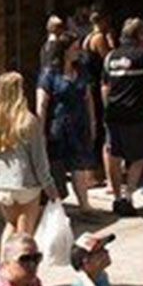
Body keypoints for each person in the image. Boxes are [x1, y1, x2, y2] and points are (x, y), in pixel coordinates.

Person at [0, 70, 54, 242]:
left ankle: (3, 265)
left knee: (10, 226)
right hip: (26, 183)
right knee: (24, 234)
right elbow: (38, 158)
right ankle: (21, 267)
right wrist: (49, 186)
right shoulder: (28, 121)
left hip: (2, 184)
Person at [100, 22, 143, 216]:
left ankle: (117, 197)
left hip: (114, 113)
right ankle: (129, 195)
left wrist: (107, 107)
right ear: (140, 35)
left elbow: (104, 86)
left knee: (114, 154)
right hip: (137, 113)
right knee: (140, 155)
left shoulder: (111, 56)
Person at [36, 35, 100, 211]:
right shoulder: (50, 73)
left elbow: (88, 98)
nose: (78, 51)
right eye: (75, 47)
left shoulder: (81, 71)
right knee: (56, 165)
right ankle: (55, 202)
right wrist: (40, 131)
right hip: (58, 126)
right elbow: (42, 103)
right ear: (64, 51)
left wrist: (93, 122)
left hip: (78, 123)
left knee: (78, 164)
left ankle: (84, 204)